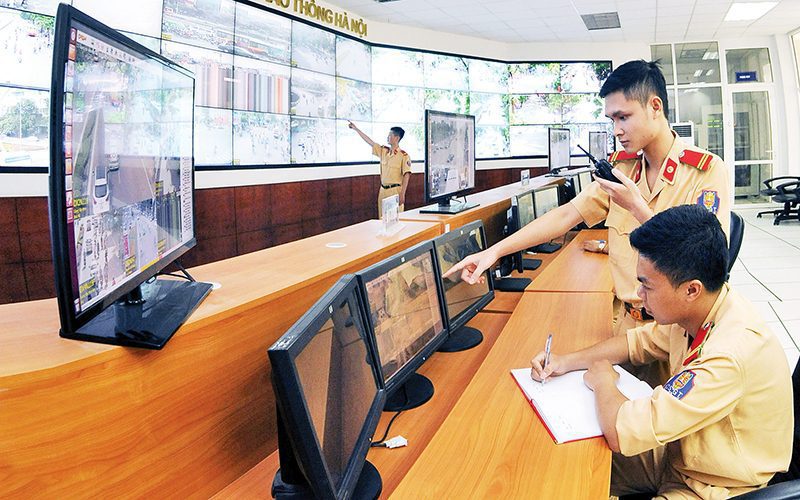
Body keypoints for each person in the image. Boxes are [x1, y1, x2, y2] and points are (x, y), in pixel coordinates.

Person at [444, 60, 731, 383]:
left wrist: (637, 207)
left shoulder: (704, 172)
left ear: (655, 107)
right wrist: (494, 252)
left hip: (675, 333)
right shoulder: (622, 170)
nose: (616, 130)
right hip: (624, 325)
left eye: (624, 117)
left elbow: (704, 263)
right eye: (611, 120)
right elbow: (566, 215)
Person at [530, 205, 792, 499]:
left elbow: (620, 430)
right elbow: (637, 343)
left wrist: (604, 380)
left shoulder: (728, 355)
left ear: (691, 290)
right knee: (565, 467)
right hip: (681, 453)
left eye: (647, 286)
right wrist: (565, 361)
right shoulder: (704, 309)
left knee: (595, 458)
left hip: (714, 485)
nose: (639, 294)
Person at [349, 122, 412, 217]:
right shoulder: (383, 151)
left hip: (395, 191)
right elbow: (370, 142)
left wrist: (402, 194)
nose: (387, 137)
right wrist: (356, 129)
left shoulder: (404, 156)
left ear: (396, 138)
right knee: (382, 219)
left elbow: (406, 175)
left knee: (395, 219)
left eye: (390, 135)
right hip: (383, 191)